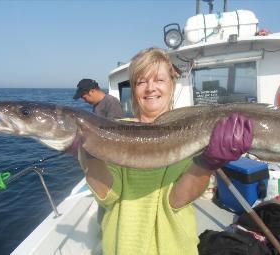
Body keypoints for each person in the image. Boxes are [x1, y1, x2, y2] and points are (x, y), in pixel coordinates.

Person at [83, 48, 253, 255]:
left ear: (172, 84)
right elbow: (108, 197)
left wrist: (207, 163)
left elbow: (177, 201)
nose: (150, 88)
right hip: (123, 246)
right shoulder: (114, 132)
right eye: (141, 81)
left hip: (174, 246)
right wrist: (89, 155)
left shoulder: (194, 131)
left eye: (159, 80)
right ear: (134, 89)